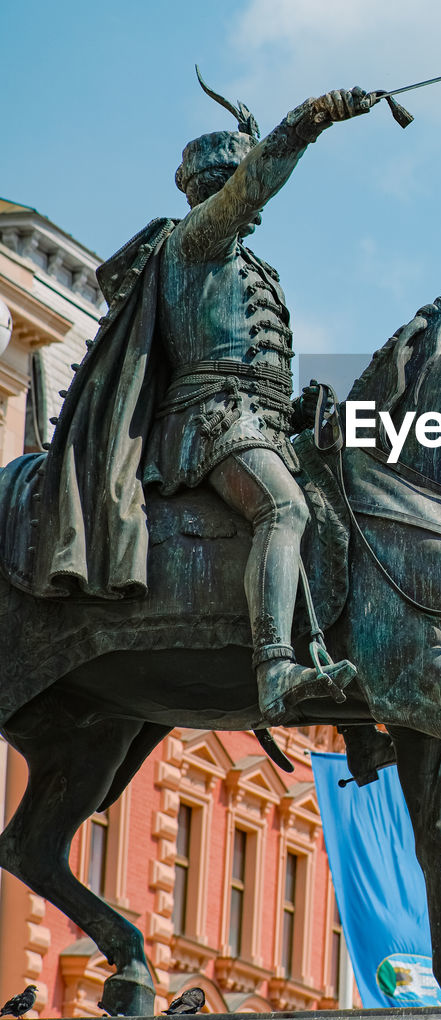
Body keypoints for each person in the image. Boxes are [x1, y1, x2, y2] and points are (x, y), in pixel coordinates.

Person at [142, 77, 371, 720]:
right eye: (241, 182)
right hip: (208, 418)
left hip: (262, 421)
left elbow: (264, 370)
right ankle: (274, 669)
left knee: (351, 506)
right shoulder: (196, 242)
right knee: (283, 510)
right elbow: (255, 185)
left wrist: (304, 410)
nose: (255, 200)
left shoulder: (256, 269)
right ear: (218, 187)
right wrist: (312, 118)